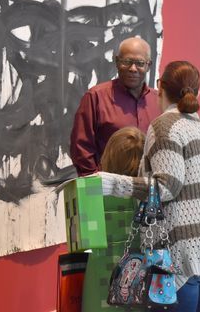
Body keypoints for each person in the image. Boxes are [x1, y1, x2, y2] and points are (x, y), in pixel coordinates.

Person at [98, 60, 200, 312]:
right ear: (196, 92)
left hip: (184, 252)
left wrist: (113, 183)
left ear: (159, 87)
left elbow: (167, 186)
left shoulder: (165, 125)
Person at [70, 36, 161, 176]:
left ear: (149, 65)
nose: (133, 68)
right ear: (117, 62)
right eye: (127, 62)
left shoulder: (159, 101)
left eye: (140, 63)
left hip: (149, 190)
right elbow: (81, 148)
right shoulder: (96, 97)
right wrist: (96, 184)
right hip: (108, 190)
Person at [82, 127, 145, 311]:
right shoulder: (149, 199)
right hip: (139, 293)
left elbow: (79, 243)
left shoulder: (93, 196)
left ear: (108, 155)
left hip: (100, 293)